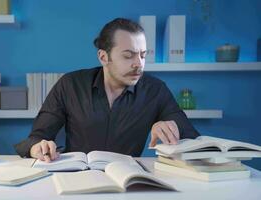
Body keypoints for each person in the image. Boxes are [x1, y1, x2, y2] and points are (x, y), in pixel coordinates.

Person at [15, 18, 199, 162]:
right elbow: (36, 138)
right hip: (77, 178)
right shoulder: (70, 84)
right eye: (128, 56)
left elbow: (194, 141)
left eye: (143, 55)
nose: (139, 64)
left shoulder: (155, 90)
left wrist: (173, 130)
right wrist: (38, 147)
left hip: (129, 181)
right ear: (103, 57)